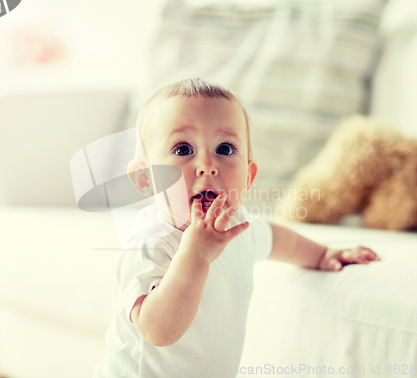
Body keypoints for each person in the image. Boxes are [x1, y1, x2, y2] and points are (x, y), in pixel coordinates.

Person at [93, 77, 380, 378]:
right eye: (182, 149)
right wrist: (195, 255)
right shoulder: (150, 244)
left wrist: (322, 255)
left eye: (225, 149)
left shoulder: (239, 227)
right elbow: (157, 330)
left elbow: (278, 240)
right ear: (145, 179)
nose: (207, 165)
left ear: (247, 177)